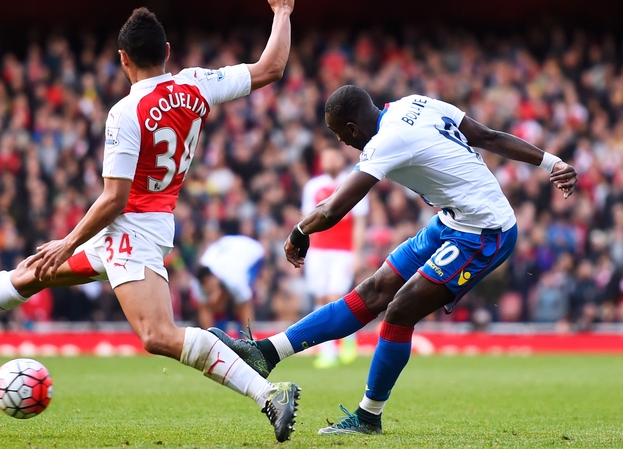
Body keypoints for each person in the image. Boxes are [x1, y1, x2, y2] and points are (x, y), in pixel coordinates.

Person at [0, 3, 301, 442]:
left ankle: (268, 391)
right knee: (30, 276)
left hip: (132, 229)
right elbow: (271, 68)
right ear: (167, 51)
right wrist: (282, 11)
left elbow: (114, 198)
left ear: (122, 58)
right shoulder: (197, 84)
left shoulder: (126, 112)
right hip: (141, 225)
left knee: (156, 334)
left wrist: (68, 240)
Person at [211, 85, 577, 436]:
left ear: (353, 128)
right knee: (374, 290)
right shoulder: (415, 102)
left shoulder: (386, 142)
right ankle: (266, 352)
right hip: (451, 221)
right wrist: (551, 162)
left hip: (485, 232)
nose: (344, 143)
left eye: (342, 136)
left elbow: (335, 207)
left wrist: (299, 232)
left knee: (400, 309)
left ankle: (368, 416)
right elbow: (489, 136)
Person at [300, 146, 368, 369]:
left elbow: (359, 222)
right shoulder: (313, 186)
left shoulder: (354, 183)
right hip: (318, 251)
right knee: (320, 299)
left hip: (342, 252)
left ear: (341, 159)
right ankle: (327, 352)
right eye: (325, 157)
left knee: (335, 296)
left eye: (333, 157)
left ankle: (348, 339)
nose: (329, 161)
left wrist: (357, 254)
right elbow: (307, 220)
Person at [194, 234, 265, 331]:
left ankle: (243, 336)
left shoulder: (234, 279)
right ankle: (217, 333)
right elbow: (204, 309)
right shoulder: (198, 282)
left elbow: (246, 306)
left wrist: (249, 339)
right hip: (226, 246)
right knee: (214, 303)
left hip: (251, 249)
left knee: (239, 301)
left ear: (214, 278)